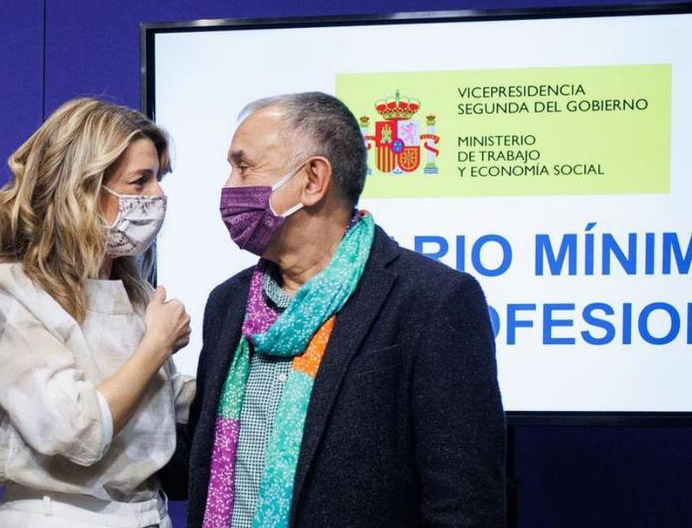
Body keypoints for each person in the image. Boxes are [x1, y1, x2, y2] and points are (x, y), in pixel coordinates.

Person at [187, 92, 506, 527]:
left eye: (244, 167)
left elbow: (465, 506)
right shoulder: (228, 304)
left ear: (314, 179)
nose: (229, 187)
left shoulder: (432, 302)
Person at [0, 97, 195, 528]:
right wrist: (156, 345)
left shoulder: (132, 292)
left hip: (148, 513)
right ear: (81, 189)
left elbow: (163, 403)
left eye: (159, 179)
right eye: (140, 182)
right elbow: (75, 431)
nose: (157, 196)